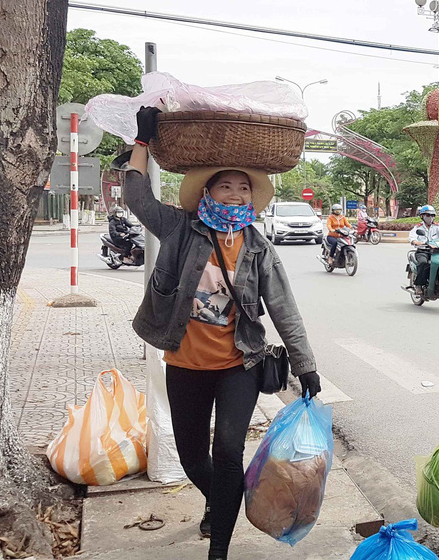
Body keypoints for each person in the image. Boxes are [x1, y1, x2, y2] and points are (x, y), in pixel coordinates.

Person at [121, 107, 321, 560]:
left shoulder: (257, 246)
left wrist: (305, 364)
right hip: (185, 366)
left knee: (228, 451)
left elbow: (284, 308)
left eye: (242, 187)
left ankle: (220, 549)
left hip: (239, 365)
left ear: (252, 196)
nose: (234, 194)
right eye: (224, 186)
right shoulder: (179, 228)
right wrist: (142, 142)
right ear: (207, 191)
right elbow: (137, 198)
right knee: (194, 460)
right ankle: (224, 498)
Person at [409, 205, 439, 288]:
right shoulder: (418, 227)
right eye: (427, 215)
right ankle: (419, 285)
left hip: (436, 251)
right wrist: (416, 242)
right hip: (423, 251)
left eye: (432, 215)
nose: (430, 217)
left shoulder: (437, 227)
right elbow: (412, 237)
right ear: (422, 216)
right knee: (423, 263)